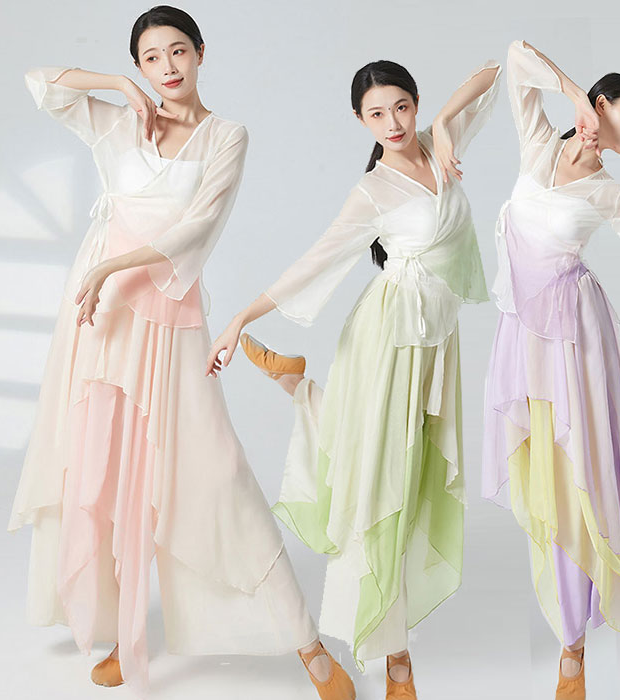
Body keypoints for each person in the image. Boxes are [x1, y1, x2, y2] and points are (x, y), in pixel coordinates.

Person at [8, 6, 355, 698]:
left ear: (200, 52)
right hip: (101, 322)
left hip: (165, 318)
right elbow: (39, 81)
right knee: (106, 470)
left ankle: (306, 642)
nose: (166, 68)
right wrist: (115, 84)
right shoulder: (116, 122)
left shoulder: (226, 136)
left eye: (177, 52)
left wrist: (112, 266)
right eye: (149, 58)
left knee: (215, 471)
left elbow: (198, 227)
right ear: (138, 67)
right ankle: (124, 632)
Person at [207, 56, 501, 700]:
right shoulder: (372, 191)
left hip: (437, 344)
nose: (392, 123)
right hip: (389, 335)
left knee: (415, 476)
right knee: (382, 483)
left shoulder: (441, 143)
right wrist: (239, 318)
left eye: (402, 107)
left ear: (416, 103)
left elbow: (499, 68)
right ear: (359, 121)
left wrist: (445, 124)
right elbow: (313, 261)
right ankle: (395, 654)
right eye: (376, 114)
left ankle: (299, 387)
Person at [482, 39, 620, 699]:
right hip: (522, 339)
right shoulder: (538, 144)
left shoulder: (610, 192)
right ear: (602, 104)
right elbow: (516, 60)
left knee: (577, 479)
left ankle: (571, 646)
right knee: (541, 477)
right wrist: (571, 93)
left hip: (574, 332)